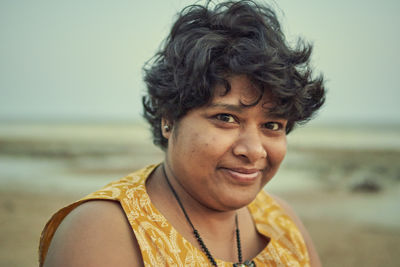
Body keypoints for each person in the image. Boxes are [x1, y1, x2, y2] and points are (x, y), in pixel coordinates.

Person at [39, 0, 325, 266]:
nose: (253, 150)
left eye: (272, 125)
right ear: (169, 118)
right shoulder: (103, 231)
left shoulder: (281, 223)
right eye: (226, 118)